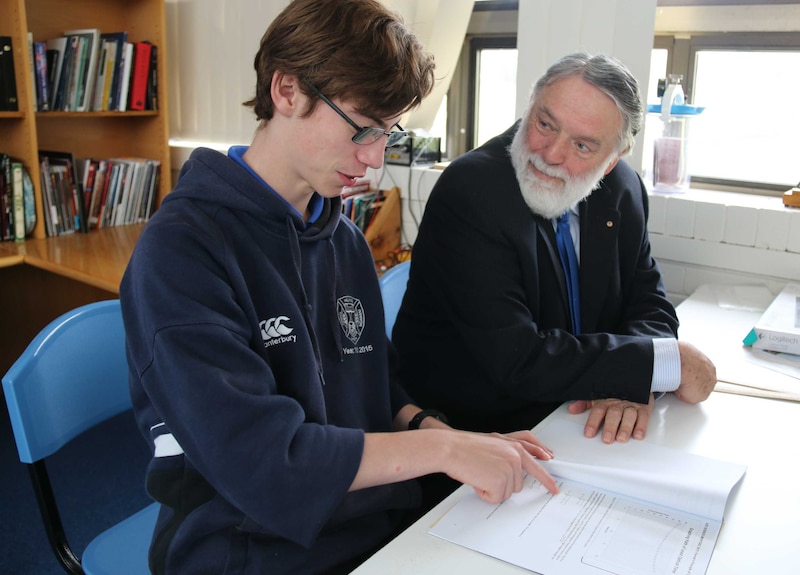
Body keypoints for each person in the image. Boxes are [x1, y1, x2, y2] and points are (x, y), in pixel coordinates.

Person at [119, 2, 559, 574]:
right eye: (361, 128)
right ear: (286, 91)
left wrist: (447, 433)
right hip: (246, 546)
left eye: (388, 132)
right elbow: (264, 462)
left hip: (369, 522)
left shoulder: (342, 238)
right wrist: (445, 451)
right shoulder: (183, 252)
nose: (374, 161)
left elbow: (377, 381)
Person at [393, 52, 716, 446]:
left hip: (573, 422)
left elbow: (648, 302)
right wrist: (660, 363)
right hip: (474, 434)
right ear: (529, 105)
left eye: (582, 146)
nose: (551, 154)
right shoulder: (471, 192)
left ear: (613, 159)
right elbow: (519, 357)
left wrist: (632, 381)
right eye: (545, 124)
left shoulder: (621, 188)